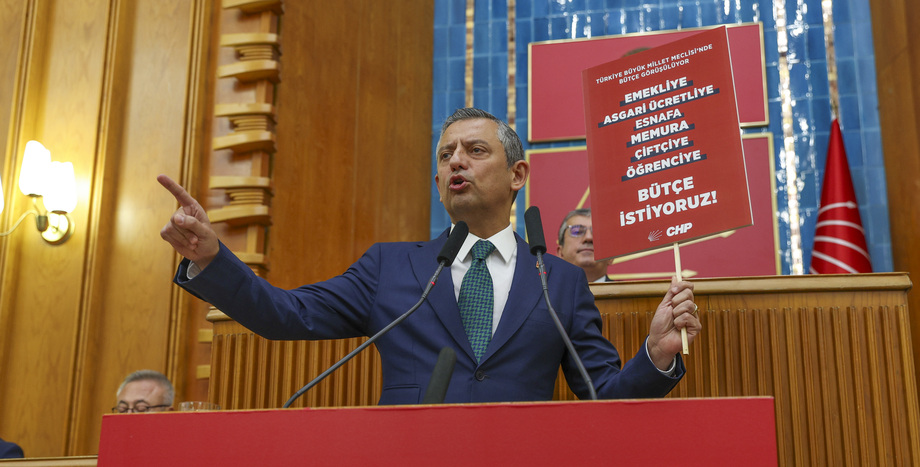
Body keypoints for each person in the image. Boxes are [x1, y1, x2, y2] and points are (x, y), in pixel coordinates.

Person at [158, 107, 701, 404]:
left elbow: (603, 397)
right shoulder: (390, 268)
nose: (456, 163)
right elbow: (285, 315)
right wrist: (212, 257)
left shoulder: (557, 280)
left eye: (475, 150)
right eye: (446, 155)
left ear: (517, 176)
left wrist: (655, 354)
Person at [556, 208, 613, 282]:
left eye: (597, 233)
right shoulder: (545, 293)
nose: (588, 237)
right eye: (577, 231)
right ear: (560, 253)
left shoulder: (630, 293)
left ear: (611, 257)